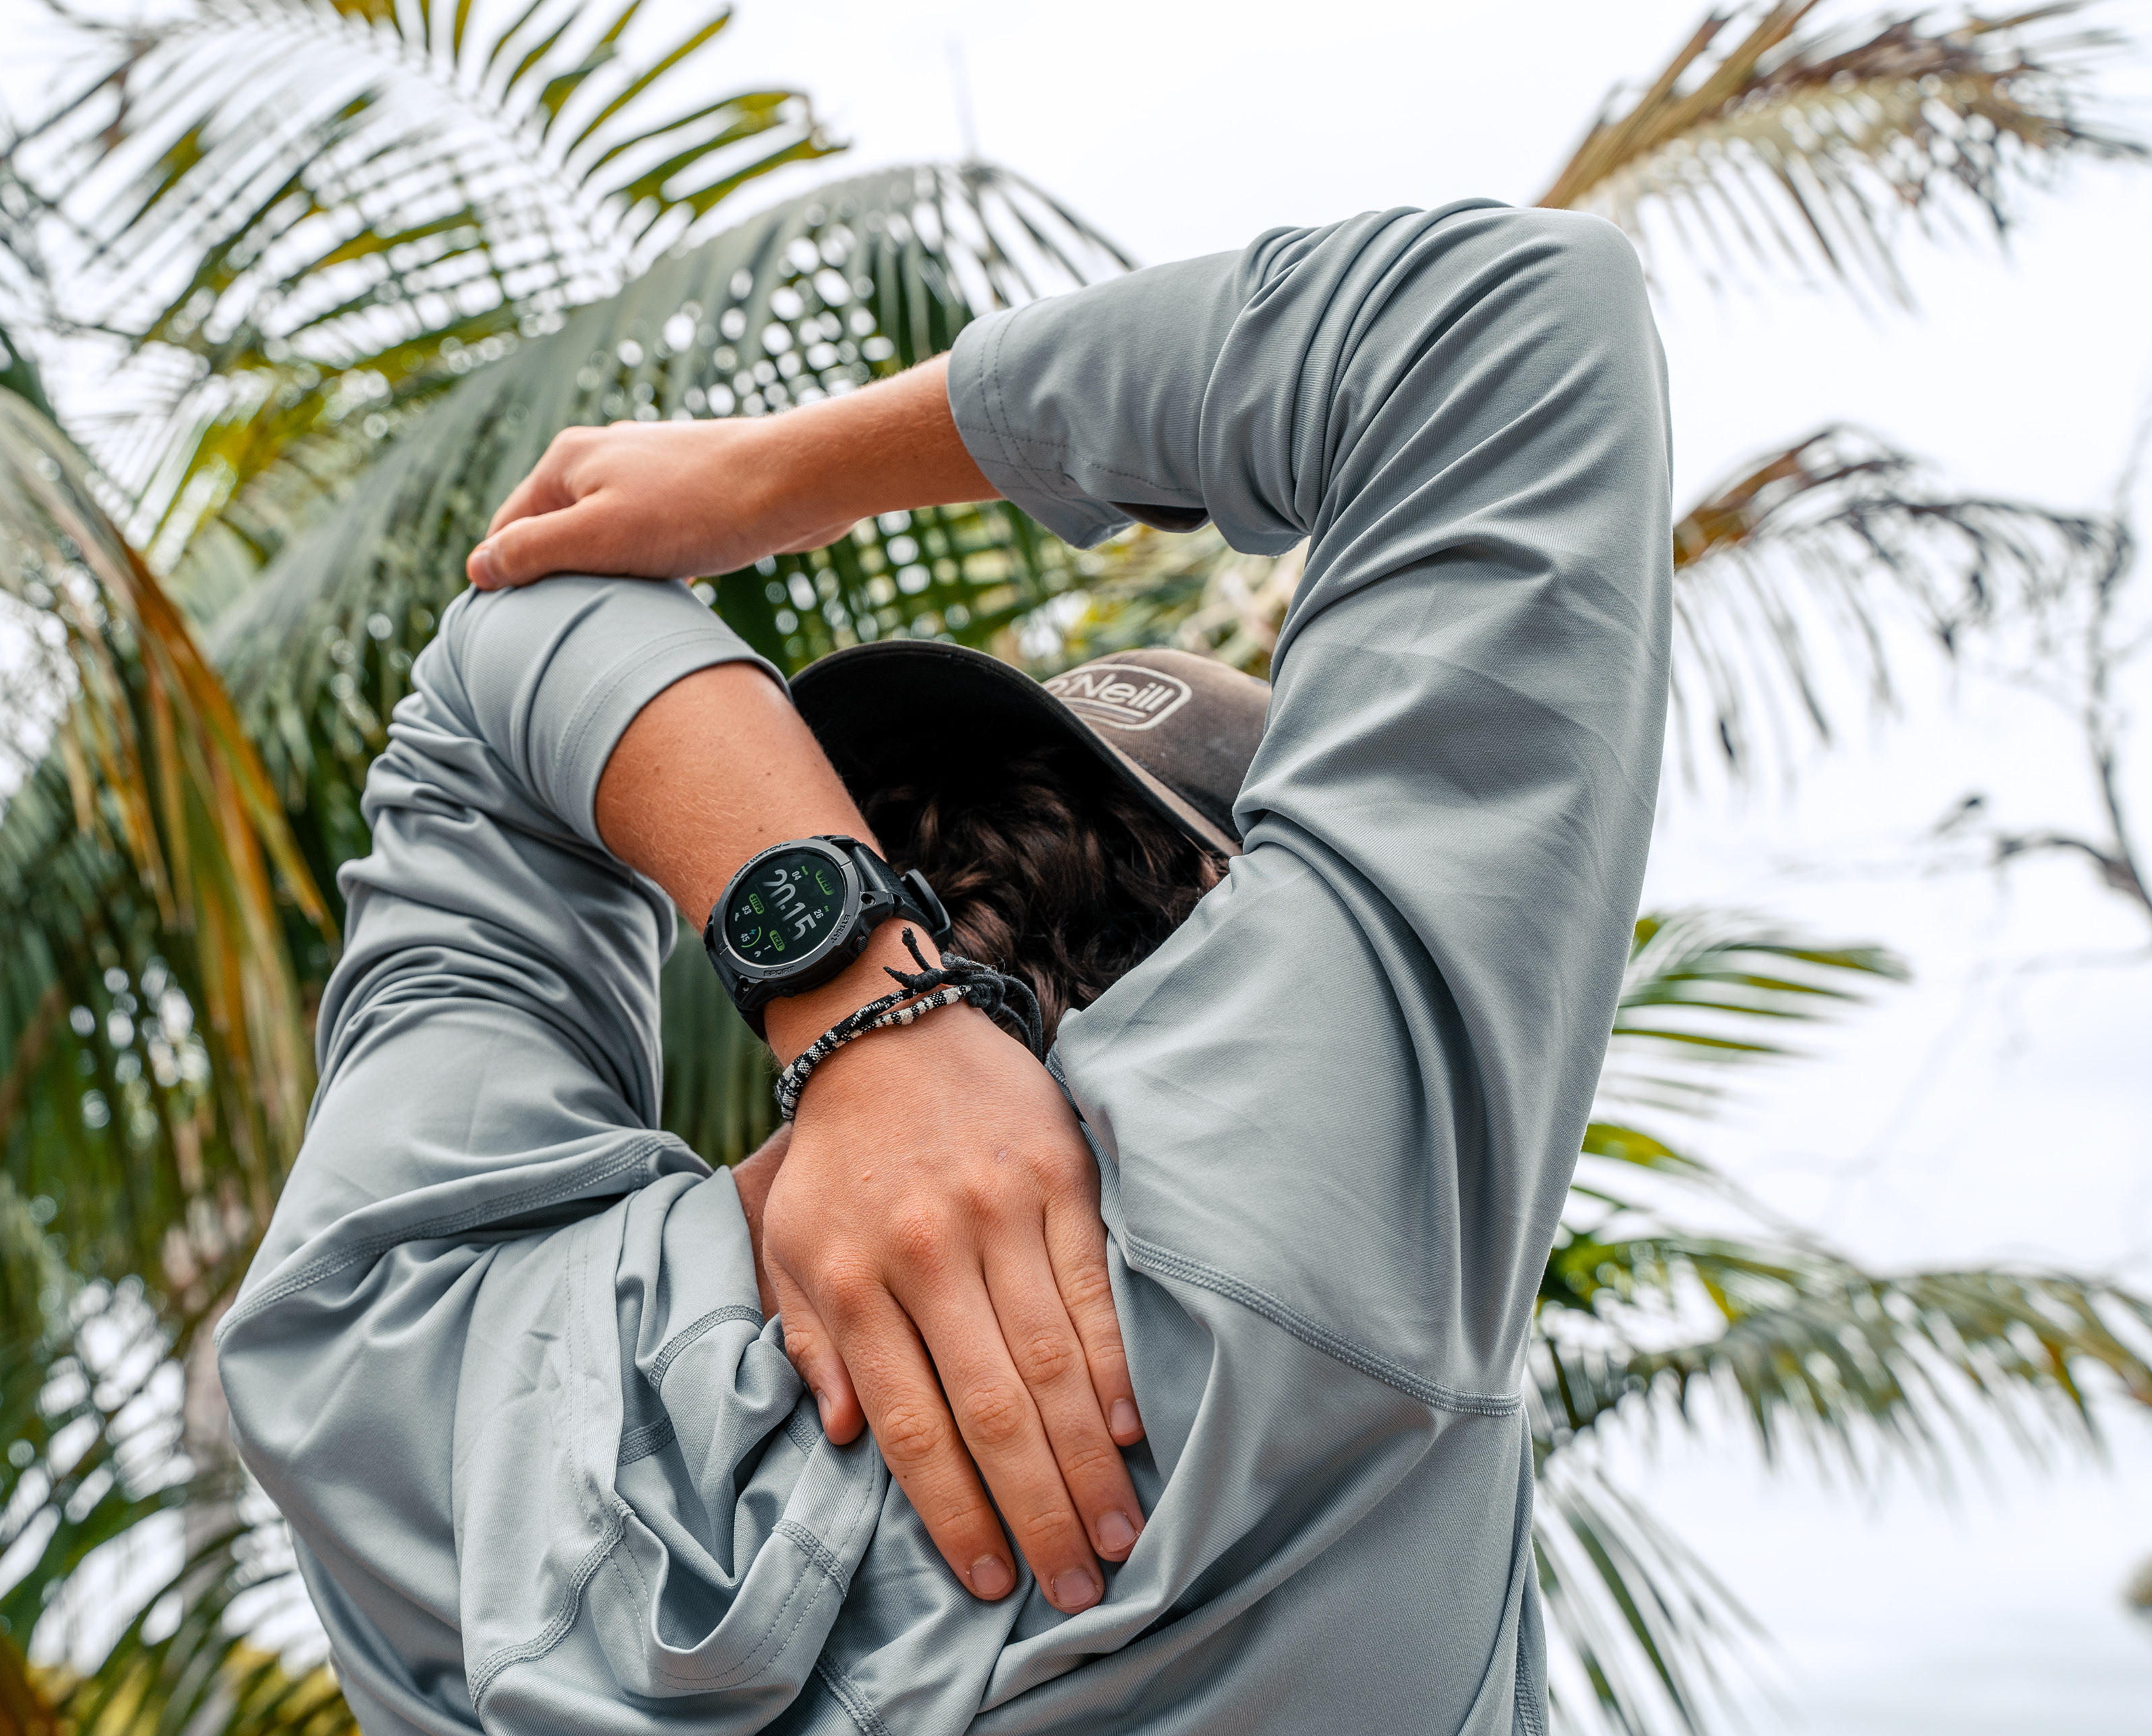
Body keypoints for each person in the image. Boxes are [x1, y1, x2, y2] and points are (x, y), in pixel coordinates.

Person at [215, 198, 1672, 1734]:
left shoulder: (384, 1364)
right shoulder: (1319, 1263)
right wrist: (892, 1027)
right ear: (1230, 946)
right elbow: (1505, 318)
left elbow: (505, 651)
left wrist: (859, 992)